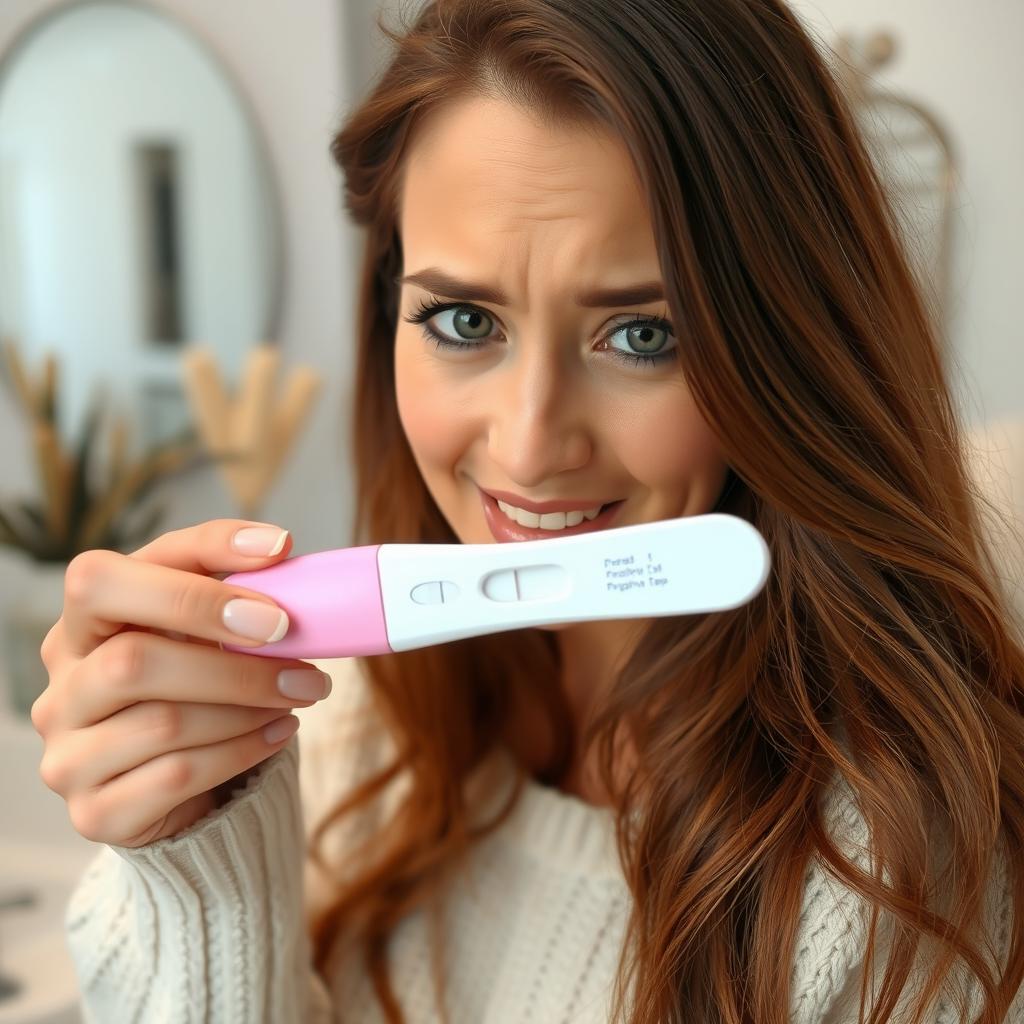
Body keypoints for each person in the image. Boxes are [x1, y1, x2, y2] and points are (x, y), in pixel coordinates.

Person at [34, 0, 1024, 1021]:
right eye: (465, 321)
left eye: (642, 335)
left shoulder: (894, 876)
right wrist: (198, 865)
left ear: (789, 350)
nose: (528, 445)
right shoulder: (338, 727)